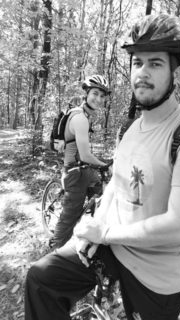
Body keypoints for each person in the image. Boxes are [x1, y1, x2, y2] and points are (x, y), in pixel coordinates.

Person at [25, 13, 180, 320]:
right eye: (137, 62)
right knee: (41, 280)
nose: (143, 72)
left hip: (158, 275)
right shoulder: (130, 130)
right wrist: (93, 231)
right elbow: (115, 186)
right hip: (114, 247)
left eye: (155, 63)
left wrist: (108, 233)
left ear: (174, 73)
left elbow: (179, 226)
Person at [49, 75, 111, 249]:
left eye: (102, 96)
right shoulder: (81, 119)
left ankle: (88, 232)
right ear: (87, 93)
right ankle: (55, 250)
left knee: (100, 194)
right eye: (95, 93)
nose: (98, 99)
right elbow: (84, 155)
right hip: (75, 172)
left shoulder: (83, 114)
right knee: (70, 215)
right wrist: (106, 164)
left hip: (83, 169)